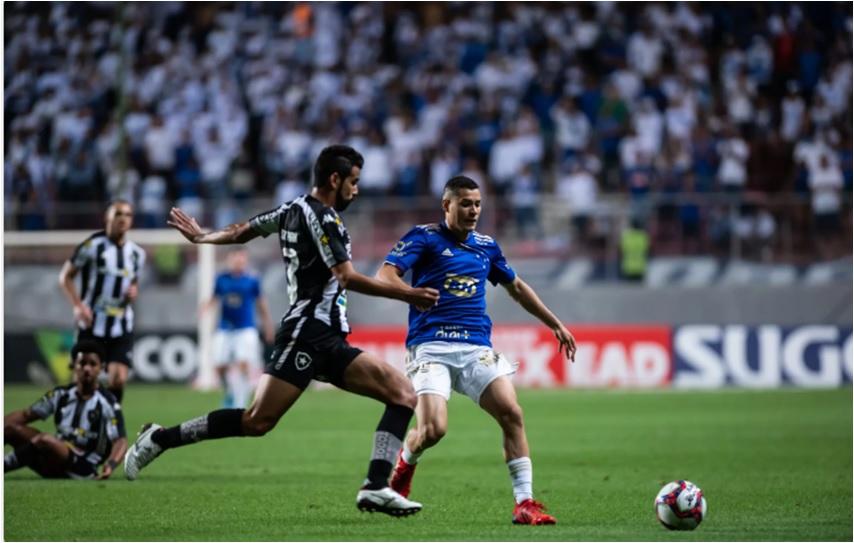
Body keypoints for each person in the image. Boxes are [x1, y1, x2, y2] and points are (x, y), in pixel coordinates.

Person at [123, 145, 440, 517]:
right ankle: (159, 438)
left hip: (328, 336)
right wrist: (408, 293)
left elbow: (244, 230)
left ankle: (375, 486)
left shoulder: (291, 209)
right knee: (256, 421)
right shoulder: (321, 218)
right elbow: (347, 277)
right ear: (334, 179)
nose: (356, 190)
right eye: (353, 182)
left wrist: (204, 237)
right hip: (307, 331)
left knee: (402, 394)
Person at [375, 175, 577, 525]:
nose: (473, 210)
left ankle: (525, 503)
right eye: (465, 203)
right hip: (431, 346)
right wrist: (410, 293)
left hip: (474, 348)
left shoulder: (486, 245)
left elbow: (515, 286)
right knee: (434, 430)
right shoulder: (424, 237)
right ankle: (406, 463)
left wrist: (554, 322)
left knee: (512, 412)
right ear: (446, 205)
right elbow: (385, 275)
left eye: (478, 204)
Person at [59, 200, 146, 403]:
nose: (123, 218)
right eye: (118, 214)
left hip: (121, 325)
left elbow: (134, 284)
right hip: (91, 324)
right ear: (107, 218)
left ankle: (110, 423)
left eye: (127, 214)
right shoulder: (91, 246)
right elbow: (65, 277)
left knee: (118, 379)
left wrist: (134, 292)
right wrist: (78, 306)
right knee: (84, 380)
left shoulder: (137, 254)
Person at [4, 340, 128, 479]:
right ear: (73, 365)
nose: (87, 368)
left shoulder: (108, 402)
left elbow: (120, 440)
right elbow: (26, 414)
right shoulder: (60, 395)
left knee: (45, 440)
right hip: (53, 457)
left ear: (101, 368)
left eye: (92, 364)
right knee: (10, 429)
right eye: (82, 363)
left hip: (83, 467)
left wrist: (111, 465)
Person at [200, 247, 275, 408]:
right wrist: (204, 308)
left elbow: (261, 303)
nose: (238, 261)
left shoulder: (252, 279)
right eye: (235, 257)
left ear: (245, 260)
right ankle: (229, 392)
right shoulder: (221, 278)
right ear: (229, 259)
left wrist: (268, 325)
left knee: (243, 363)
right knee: (219, 366)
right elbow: (214, 297)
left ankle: (240, 403)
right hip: (224, 328)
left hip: (246, 328)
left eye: (241, 257)